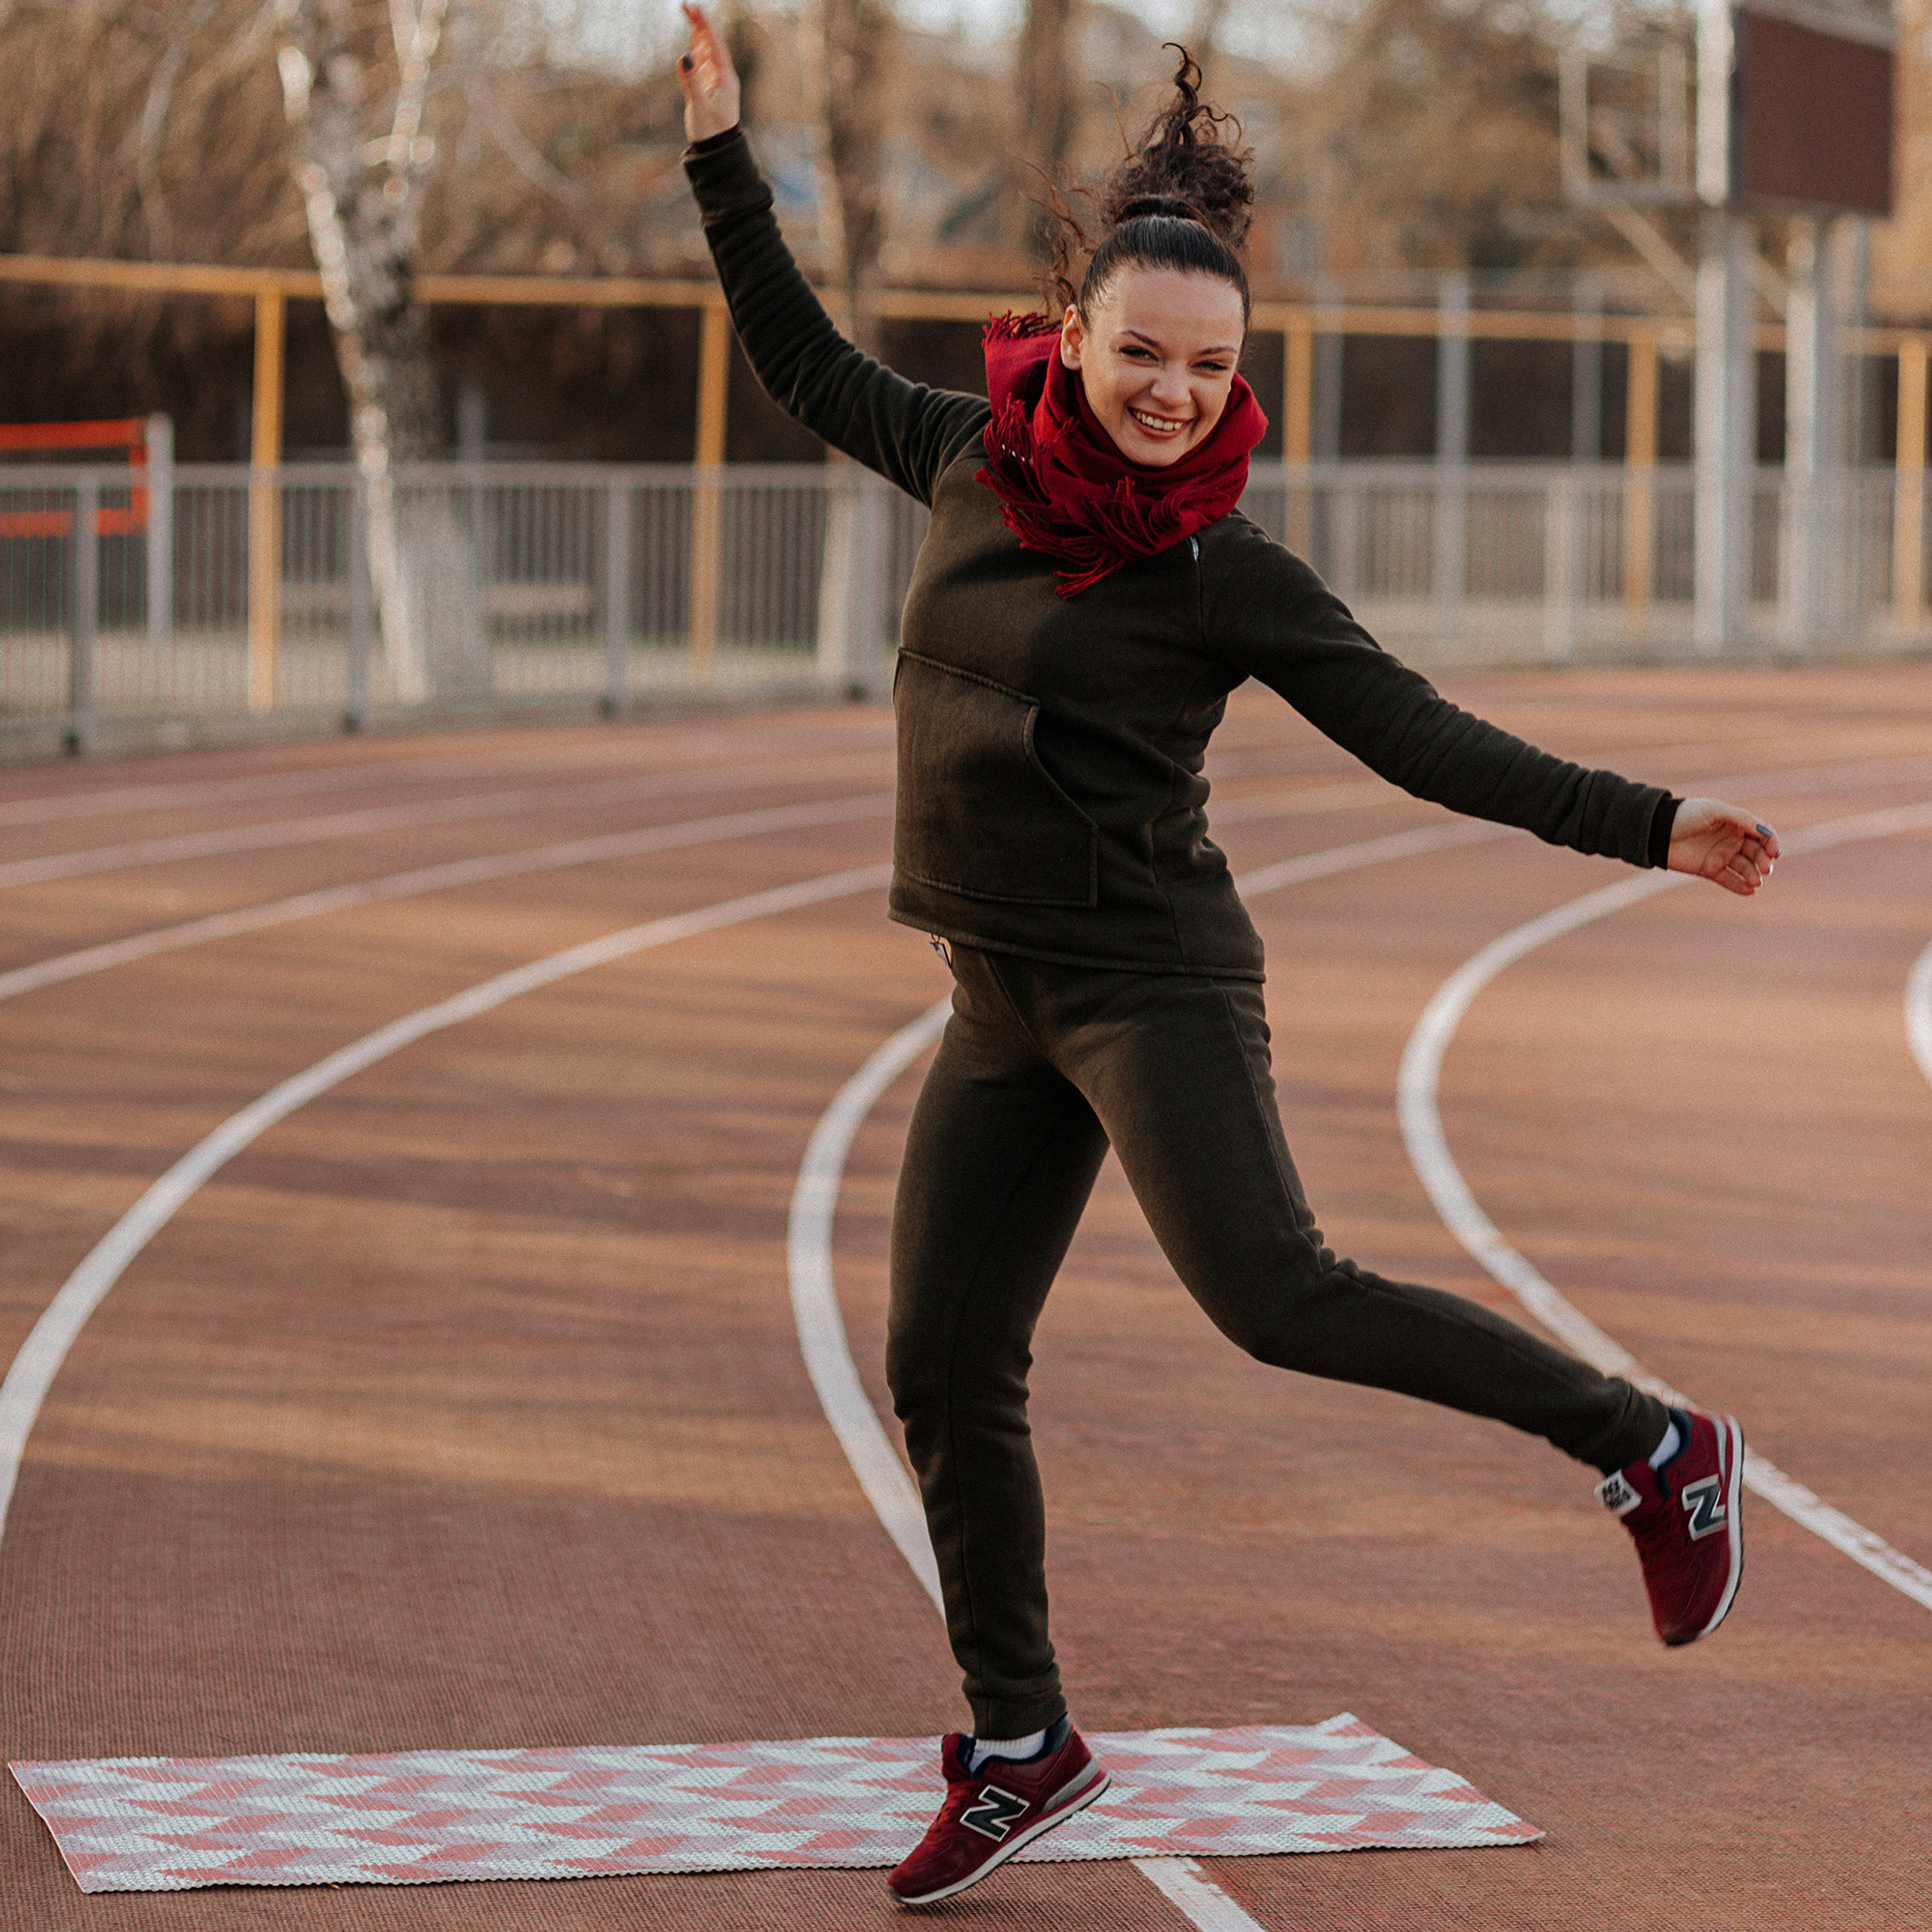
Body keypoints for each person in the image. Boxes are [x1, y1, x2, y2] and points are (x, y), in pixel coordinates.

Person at [678, 10, 1775, 1907]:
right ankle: (1023, 1739)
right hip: (993, 994)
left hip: (1148, 985)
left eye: (1210, 367)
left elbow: (1425, 736)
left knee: (1271, 1291)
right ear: (1074, 335)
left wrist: (1643, 821)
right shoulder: (957, 457)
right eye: (1142, 356)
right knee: (940, 1362)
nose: (1173, 393)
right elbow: (791, 353)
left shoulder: (1224, 576)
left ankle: (1651, 1445)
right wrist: (717, 149)